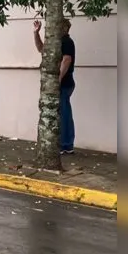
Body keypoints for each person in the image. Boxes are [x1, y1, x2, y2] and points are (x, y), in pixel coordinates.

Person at [33, 18, 76, 154]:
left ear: (64, 28)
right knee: (61, 112)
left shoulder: (67, 42)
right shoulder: (56, 42)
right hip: (60, 83)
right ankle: (64, 144)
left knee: (64, 113)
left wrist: (58, 79)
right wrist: (36, 33)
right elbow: (41, 49)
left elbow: (67, 60)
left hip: (64, 83)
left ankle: (66, 145)